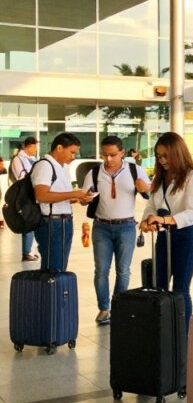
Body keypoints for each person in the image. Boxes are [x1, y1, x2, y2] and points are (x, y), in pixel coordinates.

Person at [82, 136, 151, 325]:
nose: (108, 159)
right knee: (101, 270)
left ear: (122, 152)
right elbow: (83, 197)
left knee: (123, 271)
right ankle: (104, 309)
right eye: (105, 155)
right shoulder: (94, 173)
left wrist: (145, 188)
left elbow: (151, 195)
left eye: (113, 154)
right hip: (101, 227)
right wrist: (84, 198)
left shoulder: (135, 170)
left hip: (127, 226)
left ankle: (118, 306)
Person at [139, 132, 193, 331]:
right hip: (163, 237)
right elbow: (151, 205)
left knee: (180, 289)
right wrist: (146, 221)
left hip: (186, 237)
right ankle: (162, 331)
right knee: (158, 286)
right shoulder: (160, 177)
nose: (162, 160)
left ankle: (183, 335)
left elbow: (191, 212)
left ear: (178, 153)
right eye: (159, 156)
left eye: (166, 155)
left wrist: (164, 220)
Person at [31, 133, 92, 271]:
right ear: (59, 148)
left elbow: (59, 196)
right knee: (53, 268)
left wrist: (78, 198)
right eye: (71, 152)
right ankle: (48, 293)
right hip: (52, 222)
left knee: (60, 266)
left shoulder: (62, 167)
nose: (73, 156)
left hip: (64, 221)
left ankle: (55, 292)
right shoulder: (45, 166)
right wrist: (73, 193)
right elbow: (41, 196)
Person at [12, 137, 40, 261]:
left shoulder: (31, 159)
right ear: (29, 146)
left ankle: (29, 251)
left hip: (33, 194)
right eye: (34, 147)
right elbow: (21, 177)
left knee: (35, 221)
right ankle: (26, 252)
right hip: (25, 195)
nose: (35, 149)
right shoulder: (18, 159)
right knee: (29, 222)